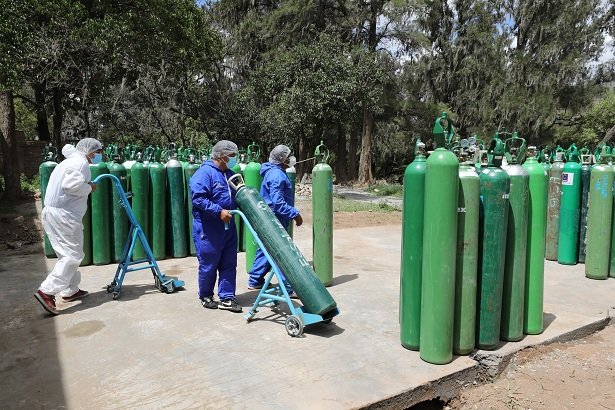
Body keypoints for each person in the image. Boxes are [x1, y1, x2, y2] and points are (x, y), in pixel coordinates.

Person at [34, 138, 103, 315]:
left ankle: (70, 290)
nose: (98, 156)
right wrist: (90, 187)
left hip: (53, 213)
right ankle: (47, 291)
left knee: (65, 254)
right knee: (72, 255)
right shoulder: (80, 163)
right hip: (64, 216)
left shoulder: (69, 162)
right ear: (89, 151)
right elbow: (71, 186)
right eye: (97, 152)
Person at [190, 140, 242, 313]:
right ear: (222, 156)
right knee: (209, 263)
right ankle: (206, 295)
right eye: (232, 156)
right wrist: (219, 211)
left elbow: (239, 194)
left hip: (228, 226)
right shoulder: (205, 173)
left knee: (229, 262)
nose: (235, 159)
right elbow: (198, 198)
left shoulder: (231, 174)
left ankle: (227, 297)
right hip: (209, 227)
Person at [247, 145, 303, 291]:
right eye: (289, 156)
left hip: (270, 217)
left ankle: (255, 280)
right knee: (280, 251)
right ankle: (289, 287)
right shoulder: (277, 175)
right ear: (282, 160)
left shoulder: (274, 172)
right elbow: (278, 203)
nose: (291, 159)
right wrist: (295, 214)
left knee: (266, 248)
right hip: (275, 218)